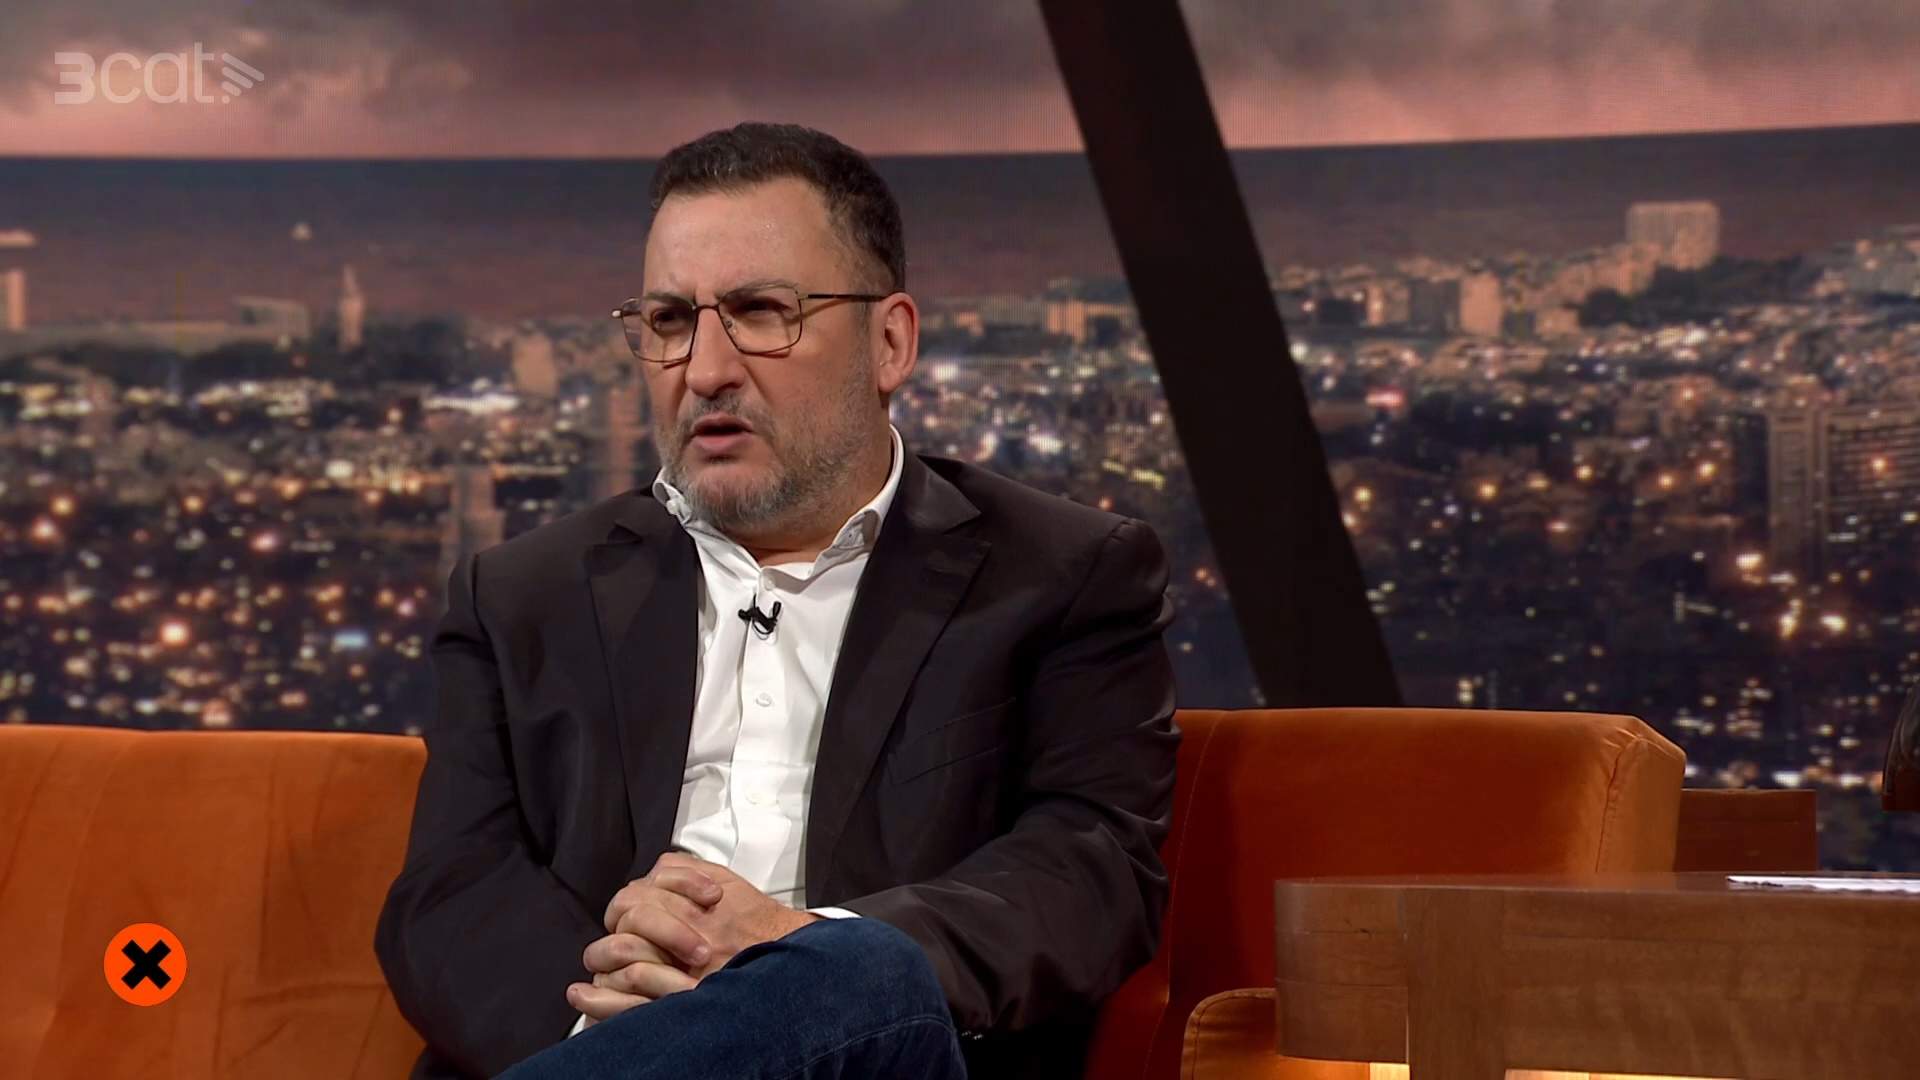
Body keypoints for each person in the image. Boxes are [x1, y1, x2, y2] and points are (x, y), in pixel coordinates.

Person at [374, 122, 1179, 1079]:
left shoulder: (1060, 576)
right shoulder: (518, 597)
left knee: (866, 972)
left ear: (889, 342)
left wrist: (803, 955)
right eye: (669, 320)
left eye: (760, 312)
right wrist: (626, 1021)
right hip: (583, 1045)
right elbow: (449, 895)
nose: (705, 369)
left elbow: (1090, 872)